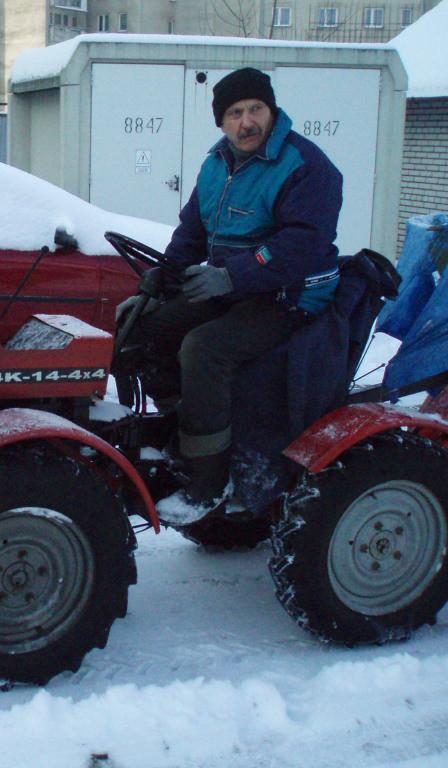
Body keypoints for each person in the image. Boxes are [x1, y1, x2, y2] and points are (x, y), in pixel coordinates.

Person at [116, 67, 343, 526]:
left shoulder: (307, 167)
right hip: (236, 288)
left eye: (256, 109)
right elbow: (193, 231)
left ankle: (210, 480)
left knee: (205, 348)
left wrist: (231, 277)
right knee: (144, 328)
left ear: (271, 111)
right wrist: (159, 277)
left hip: (290, 296)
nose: (247, 122)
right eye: (235, 113)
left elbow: (302, 246)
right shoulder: (216, 163)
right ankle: (183, 431)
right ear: (221, 122)